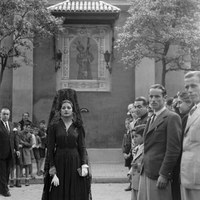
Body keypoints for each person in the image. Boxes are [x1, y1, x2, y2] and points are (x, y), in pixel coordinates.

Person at [41, 88, 91, 200]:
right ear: (60, 110)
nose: (66, 110)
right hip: (59, 160)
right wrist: (52, 169)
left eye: (69, 108)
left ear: (73, 110)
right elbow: (50, 148)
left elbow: (82, 146)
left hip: (75, 161)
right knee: (58, 190)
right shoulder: (54, 126)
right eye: (63, 108)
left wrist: (84, 164)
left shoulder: (78, 126)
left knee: (75, 190)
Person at [137, 84, 182, 200]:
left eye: (157, 96)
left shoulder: (172, 117)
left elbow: (173, 149)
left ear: (165, 98)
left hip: (158, 174)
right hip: (145, 170)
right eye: (151, 96)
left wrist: (164, 174)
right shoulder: (152, 117)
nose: (153, 100)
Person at [181, 71, 200, 200]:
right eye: (187, 87)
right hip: (188, 175)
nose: (189, 90)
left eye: (193, 86)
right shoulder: (193, 110)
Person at [170, 91, 193, 200]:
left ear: (189, 103)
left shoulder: (186, 119)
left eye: (180, 102)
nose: (177, 105)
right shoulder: (184, 117)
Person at [0, 108, 20, 197]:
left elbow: (15, 138)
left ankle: (3, 187)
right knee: (2, 172)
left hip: (10, 153)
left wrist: (17, 149)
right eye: (4, 114)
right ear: (0, 114)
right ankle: (5, 190)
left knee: (7, 172)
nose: (6, 116)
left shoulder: (12, 125)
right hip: (1, 154)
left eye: (7, 114)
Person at [128, 124, 145, 200]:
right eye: (133, 137)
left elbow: (141, 164)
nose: (134, 139)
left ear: (144, 136)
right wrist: (130, 173)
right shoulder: (137, 148)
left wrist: (135, 167)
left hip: (141, 182)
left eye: (136, 136)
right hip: (135, 181)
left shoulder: (145, 149)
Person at [122, 118, 133, 191]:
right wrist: (124, 152)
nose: (127, 125)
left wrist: (129, 153)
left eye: (129, 123)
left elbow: (133, 144)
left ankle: (132, 184)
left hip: (131, 154)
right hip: (126, 154)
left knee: (132, 170)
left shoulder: (132, 133)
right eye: (126, 124)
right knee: (129, 168)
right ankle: (131, 183)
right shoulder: (126, 133)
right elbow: (123, 144)